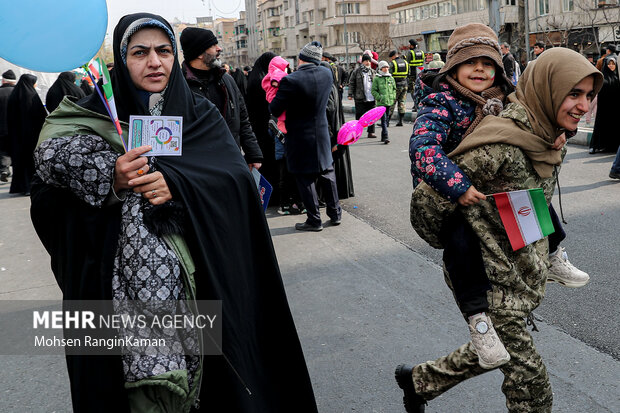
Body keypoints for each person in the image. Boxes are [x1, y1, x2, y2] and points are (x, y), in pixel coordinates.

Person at [31, 13, 318, 413]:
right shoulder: (89, 117)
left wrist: (178, 184)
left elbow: (234, 182)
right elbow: (46, 199)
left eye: (164, 51)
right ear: (121, 57)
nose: (154, 62)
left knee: (207, 390)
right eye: (140, 52)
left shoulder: (200, 115)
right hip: (115, 301)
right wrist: (111, 178)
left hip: (201, 286)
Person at [397, 47, 602, 413]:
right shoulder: (499, 145)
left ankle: (420, 381)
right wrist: (460, 233)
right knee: (531, 385)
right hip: (488, 280)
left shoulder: (545, 136)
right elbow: (426, 204)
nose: (584, 106)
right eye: (574, 94)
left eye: (589, 95)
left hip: (522, 272)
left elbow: (529, 201)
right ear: (548, 90)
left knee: (498, 351)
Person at [409, 23, 516, 372]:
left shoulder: (506, 102)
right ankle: (478, 322)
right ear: (452, 68)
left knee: (534, 201)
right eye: (471, 62)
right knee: (462, 244)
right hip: (448, 196)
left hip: (495, 191)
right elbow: (423, 149)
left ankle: (555, 250)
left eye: (488, 63)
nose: (480, 69)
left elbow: (540, 122)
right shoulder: (442, 102)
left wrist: (559, 136)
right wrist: (457, 186)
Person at [270, 41, 342, 231]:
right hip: (322, 132)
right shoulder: (327, 74)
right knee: (327, 172)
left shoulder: (291, 80)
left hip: (300, 136)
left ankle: (314, 220)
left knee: (305, 177)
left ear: (301, 58)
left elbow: (275, 108)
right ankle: (335, 214)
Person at [179, 27, 263, 171]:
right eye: (213, 46)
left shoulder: (227, 81)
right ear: (200, 53)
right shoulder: (179, 86)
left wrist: (253, 154)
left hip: (232, 163)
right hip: (199, 170)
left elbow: (242, 119)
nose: (219, 49)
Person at [7, 74, 47, 195]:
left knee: (19, 161)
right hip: (31, 136)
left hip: (16, 136)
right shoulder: (32, 95)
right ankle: (29, 187)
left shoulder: (14, 95)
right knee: (31, 162)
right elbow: (40, 116)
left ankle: (20, 186)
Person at [247, 52, 279, 195]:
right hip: (264, 126)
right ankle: (271, 193)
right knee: (268, 159)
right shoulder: (261, 81)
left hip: (258, 125)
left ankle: (266, 193)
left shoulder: (255, 76)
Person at [589, 57, 620, 154]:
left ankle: (612, 147)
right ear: (605, 65)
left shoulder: (617, 77)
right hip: (604, 107)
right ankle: (595, 146)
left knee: (614, 127)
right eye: (609, 64)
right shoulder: (603, 78)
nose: (611, 66)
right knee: (601, 125)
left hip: (615, 108)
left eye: (613, 64)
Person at [348, 54, 377, 139]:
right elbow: (352, 83)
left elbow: (376, 84)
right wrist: (350, 94)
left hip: (371, 97)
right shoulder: (356, 71)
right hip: (360, 97)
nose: (368, 63)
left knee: (372, 116)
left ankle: (371, 132)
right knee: (359, 116)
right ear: (362, 61)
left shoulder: (373, 71)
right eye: (366, 61)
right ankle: (357, 132)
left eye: (369, 61)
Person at [262, 55, 290, 134]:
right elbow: (276, 80)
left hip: (272, 98)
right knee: (282, 116)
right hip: (275, 97)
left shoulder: (270, 73)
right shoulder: (277, 72)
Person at [372, 61, 396, 144]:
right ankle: (386, 136)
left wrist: (392, 97)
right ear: (380, 68)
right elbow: (373, 91)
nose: (386, 69)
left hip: (389, 102)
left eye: (387, 67)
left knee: (386, 121)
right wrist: (379, 98)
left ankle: (383, 136)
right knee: (384, 120)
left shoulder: (391, 78)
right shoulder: (377, 79)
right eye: (384, 67)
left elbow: (394, 89)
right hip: (381, 103)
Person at [0, 70, 17, 182]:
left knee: (2, 150)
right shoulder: (18, 92)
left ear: (4, 80)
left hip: (1, 127)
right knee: (14, 149)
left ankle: (4, 169)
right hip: (15, 127)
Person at [388, 50, 409, 127]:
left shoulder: (393, 63)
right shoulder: (406, 63)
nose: (390, 59)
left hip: (395, 86)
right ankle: (401, 121)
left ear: (393, 56)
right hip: (405, 84)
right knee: (402, 102)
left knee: (392, 103)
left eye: (390, 57)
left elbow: (389, 75)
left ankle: (387, 121)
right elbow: (408, 74)